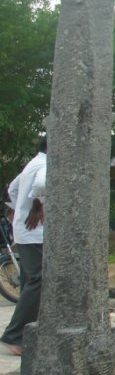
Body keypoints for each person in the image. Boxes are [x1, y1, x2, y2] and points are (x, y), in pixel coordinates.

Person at [1, 137, 47, 356]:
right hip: (35, 233)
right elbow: (41, 184)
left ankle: (26, 334)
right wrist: (37, 206)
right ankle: (15, 335)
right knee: (38, 280)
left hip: (24, 231)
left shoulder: (33, 163)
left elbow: (12, 189)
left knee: (31, 281)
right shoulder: (46, 164)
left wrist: (21, 209)